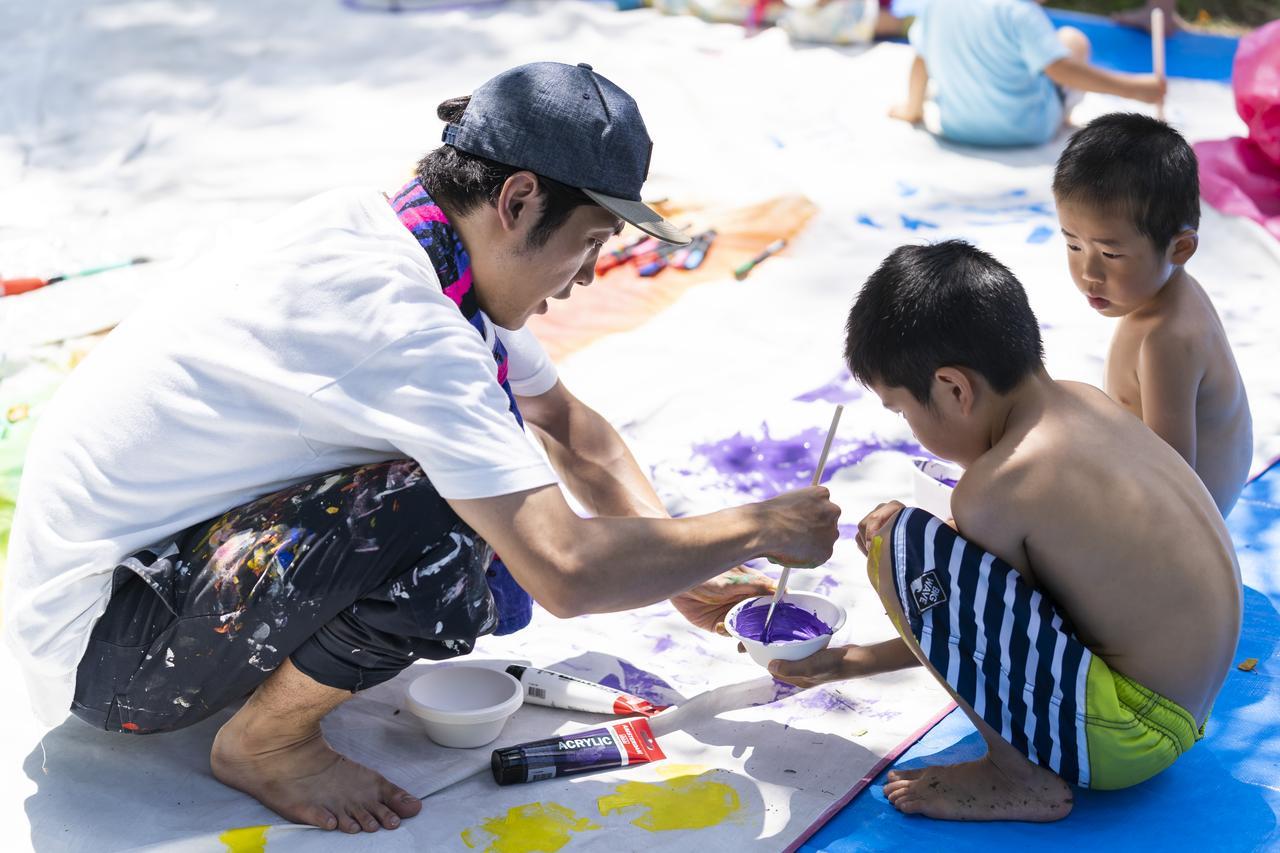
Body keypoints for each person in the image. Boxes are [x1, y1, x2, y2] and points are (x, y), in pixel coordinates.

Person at [3, 62, 840, 835]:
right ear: (516, 200)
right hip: (113, 651)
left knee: (480, 471)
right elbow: (567, 568)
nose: (587, 277)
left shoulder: (405, 240)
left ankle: (265, 691)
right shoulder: (404, 322)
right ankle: (264, 741)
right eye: (589, 243)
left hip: (137, 583)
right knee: (451, 508)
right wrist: (757, 524)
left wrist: (683, 561)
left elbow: (568, 424)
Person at [769, 241, 1241, 821]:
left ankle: (1018, 777)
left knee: (901, 542)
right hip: (1191, 705)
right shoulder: (1084, 403)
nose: (909, 427)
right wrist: (851, 662)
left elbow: (983, 642)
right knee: (932, 547)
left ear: (954, 389)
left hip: (1124, 739)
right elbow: (1011, 623)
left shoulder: (997, 488)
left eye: (902, 411)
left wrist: (905, 557)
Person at [1054, 113, 1252, 515]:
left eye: (1111, 254)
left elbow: (1170, 487)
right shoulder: (1162, 291)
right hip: (1165, 492)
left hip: (1179, 533)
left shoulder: (1167, 340)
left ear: (1180, 249)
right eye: (1074, 246)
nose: (1089, 274)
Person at [890, 0, 1165, 147]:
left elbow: (921, 61)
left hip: (959, 127)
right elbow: (1062, 70)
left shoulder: (937, 4)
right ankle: (1062, 117)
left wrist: (913, 109)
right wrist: (1134, 88)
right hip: (1028, 129)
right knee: (1072, 40)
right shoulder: (1020, 12)